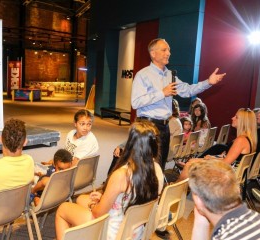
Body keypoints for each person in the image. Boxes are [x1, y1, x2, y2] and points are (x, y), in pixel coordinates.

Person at [55, 121, 164, 240]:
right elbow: (131, 198)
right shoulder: (156, 170)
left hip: (113, 232)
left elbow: (98, 213)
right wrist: (103, 199)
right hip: (135, 231)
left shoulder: (122, 175)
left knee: (63, 209)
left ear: (131, 144)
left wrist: (94, 205)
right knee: (81, 199)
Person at [131, 38, 226, 171]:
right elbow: (135, 102)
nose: (168, 53)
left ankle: (157, 191)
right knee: (145, 167)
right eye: (164, 50)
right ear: (153, 53)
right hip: (147, 126)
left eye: (169, 50)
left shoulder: (170, 75)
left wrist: (208, 82)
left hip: (165, 127)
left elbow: (187, 90)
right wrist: (162, 93)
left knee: (160, 166)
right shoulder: (143, 75)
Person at [189, 159, 260, 240]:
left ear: (198, 201)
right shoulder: (255, 217)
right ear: (237, 189)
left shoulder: (226, 237)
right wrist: (201, 221)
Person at [179, 108, 257, 180]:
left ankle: (176, 190)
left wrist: (211, 159)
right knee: (192, 162)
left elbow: (226, 163)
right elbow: (231, 160)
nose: (232, 118)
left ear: (243, 122)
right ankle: (184, 188)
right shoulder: (248, 138)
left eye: (236, 117)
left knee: (190, 164)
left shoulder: (241, 140)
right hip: (234, 172)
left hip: (229, 174)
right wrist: (212, 158)